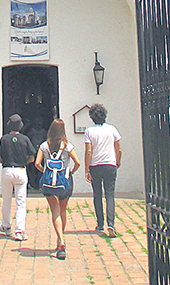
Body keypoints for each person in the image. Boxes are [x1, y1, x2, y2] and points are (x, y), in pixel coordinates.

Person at [35, 118, 81, 259]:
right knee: (62, 210)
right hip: (65, 181)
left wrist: (45, 172)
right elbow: (78, 162)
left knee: (55, 212)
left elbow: (37, 163)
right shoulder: (67, 146)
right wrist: (71, 172)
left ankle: (60, 239)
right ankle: (60, 240)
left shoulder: (44, 146)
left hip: (49, 182)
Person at [83, 103, 122, 237]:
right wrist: (118, 160)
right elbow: (118, 148)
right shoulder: (112, 129)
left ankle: (100, 224)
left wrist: (87, 169)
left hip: (95, 165)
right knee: (110, 194)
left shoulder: (89, 131)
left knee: (97, 195)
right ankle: (111, 224)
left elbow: (88, 151)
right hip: (110, 164)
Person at [0, 113, 36, 241]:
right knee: (21, 202)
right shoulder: (25, 139)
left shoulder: (4, 139)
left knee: (6, 200)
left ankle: (6, 226)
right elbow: (32, 157)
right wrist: (23, 161)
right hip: (20, 170)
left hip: (7, 170)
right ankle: (19, 231)